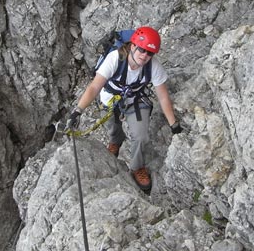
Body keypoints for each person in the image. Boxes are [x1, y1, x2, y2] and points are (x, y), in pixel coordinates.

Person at [67, 26, 183, 191]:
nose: (145, 56)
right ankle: (115, 142)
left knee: (141, 136)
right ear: (133, 46)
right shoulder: (115, 58)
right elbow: (94, 87)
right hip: (110, 98)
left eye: (150, 53)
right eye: (142, 50)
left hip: (135, 99)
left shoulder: (153, 66)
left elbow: (163, 96)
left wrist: (174, 125)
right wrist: (77, 111)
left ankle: (137, 167)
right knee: (113, 127)